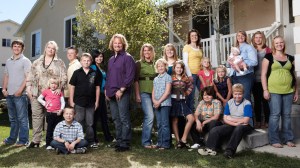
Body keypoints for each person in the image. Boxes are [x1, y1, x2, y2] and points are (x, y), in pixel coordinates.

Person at [26, 41, 67, 148]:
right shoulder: (36, 62)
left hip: (52, 95)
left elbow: (64, 77)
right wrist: (28, 89)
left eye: (53, 48)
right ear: (45, 48)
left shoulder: (60, 63)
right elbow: (30, 76)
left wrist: (59, 87)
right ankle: (36, 141)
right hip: (37, 93)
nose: (50, 50)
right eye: (49, 47)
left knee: (50, 118)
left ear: (55, 50)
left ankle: (50, 140)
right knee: (36, 116)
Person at [261, 35, 298, 148]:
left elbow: (295, 76)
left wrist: (296, 91)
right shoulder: (268, 57)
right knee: (275, 115)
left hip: (288, 90)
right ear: (274, 44)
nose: (279, 44)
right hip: (274, 90)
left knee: (286, 115)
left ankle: (288, 138)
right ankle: (274, 139)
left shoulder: (291, 58)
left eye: (281, 42)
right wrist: (265, 90)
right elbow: (263, 74)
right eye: (276, 43)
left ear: (284, 44)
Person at [198, 84, 253, 159]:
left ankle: (229, 152)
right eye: (235, 94)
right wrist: (234, 122)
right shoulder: (229, 102)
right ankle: (210, 149)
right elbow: (225, 119)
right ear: (232, 94)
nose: (237, 96)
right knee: (215, 130)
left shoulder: (247, 103)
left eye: (239, 94)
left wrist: (231, 119)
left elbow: (246, 120)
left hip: (245, 126)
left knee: (239, 128)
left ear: (243, 94)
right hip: (232, 124)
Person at [105, 34, 136, 152]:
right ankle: (118, 141)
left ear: (123, 44)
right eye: (115, 43)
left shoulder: (127, 57)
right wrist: (107, 91)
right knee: (116, 118)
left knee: (124, 118)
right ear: (112, 44)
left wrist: (121, 89)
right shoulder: (111, 59)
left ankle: (125, 142)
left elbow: (130, 75)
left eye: (119, 43)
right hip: (111, 93)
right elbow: (109, 77)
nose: (117, 45)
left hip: (122, 92)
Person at [2, 39, 31, 146]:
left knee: (22, 119)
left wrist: (20, 90)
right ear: (12, 48)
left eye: (19, 46)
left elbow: (28, 76)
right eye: (15, 46)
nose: (16, 48)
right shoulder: (8, 61)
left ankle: (23, 140)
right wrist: (4, 89)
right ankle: (12, 139)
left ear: (22, 48)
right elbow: (6, 75)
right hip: (9, 95)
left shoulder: (26, 61)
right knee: (13, 119)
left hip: (20, 95)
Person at [69, 53, 101, 148]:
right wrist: (71, 100)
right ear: (81, 61)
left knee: (90, 123)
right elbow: (72, 87)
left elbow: (97, 88)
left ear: (91, 62)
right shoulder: (76, 73)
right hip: (78, 102)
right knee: (78, 122)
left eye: (88, 61)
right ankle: (78, 141)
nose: (86, 62)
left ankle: (90, 141)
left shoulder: (94, 73)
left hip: (91, 103)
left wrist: (97, 102)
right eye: (84, 60)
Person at [134, 44, 156, 148]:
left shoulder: (155, 64)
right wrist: (137, 94)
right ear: (142, 52)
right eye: (144, 51)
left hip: (155, 93)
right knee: (150, 116)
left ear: (152, 52)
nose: (146, 52)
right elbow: (136, 80)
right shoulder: (138, 64)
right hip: (144, 92)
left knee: (154, 117)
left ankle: (152, 139)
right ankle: (145, 142)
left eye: (148, 51)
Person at [90, 50, 114, 144]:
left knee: (103, 116)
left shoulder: (101, 67)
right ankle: (94, 138)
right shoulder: (93, 67)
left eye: (101, 56)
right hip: (96, 95)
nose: (99, 58)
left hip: (102, 94)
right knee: (95, 117)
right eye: (97, 57)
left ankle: (107, 136)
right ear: (93, 58)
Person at [170, 61, 194, 149]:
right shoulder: (171, 78)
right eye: (177, 67)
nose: (179, 69)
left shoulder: (185, 78)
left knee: (191, 118)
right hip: (173, 101)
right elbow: (168, 88)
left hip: (182, 101)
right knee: (175, 120)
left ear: (183, 69)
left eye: (181, 68)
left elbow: (191, 86)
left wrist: (186, 93)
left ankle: (184, 139)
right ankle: (178, 141)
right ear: (174, 68)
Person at [229, 30, 257, 101]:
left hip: (245, 75)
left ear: (245, 37)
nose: (240, 37)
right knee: (236, 98)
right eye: (238, 35)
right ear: (236, 37)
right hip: (234, 75)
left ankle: (247, 112)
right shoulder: (234, 48)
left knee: (245, 97)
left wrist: (245, 66)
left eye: (242, 35)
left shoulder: (249, 47)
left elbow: (254, 62)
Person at [37, 77, 65, 149]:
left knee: (58, 129)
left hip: (58, 114)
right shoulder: (46, 91)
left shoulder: (59, 92)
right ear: (49, 84)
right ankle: (48, 144)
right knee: (49, 129)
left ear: (58, 85)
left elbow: (63, 102)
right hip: (50, 114)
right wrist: (45, 103)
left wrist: (61, 109)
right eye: (52, 83)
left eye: (55, 84)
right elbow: (39, 98)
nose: (54, 85)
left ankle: (58, 144)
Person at [251, 31, 271, 128]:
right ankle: (258, 121)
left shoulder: (267, 50)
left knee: (265, 101)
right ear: (253, 39)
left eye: (260, 37)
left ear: (262, 39)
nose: (258, 39)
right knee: (257, 101)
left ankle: (267, 121)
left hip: (265, 79)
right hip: (254, 79)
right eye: (256, 37)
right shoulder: (251, 49)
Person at [152, 58, 172, 149]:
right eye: (158, 66)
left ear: (165, 67)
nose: (160, 67)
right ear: (157, 68)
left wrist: (159, 101)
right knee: (159, 124)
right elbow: (153, 91)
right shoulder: (156, 79)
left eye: (162, 66)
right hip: (156, 104)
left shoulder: (168, 77)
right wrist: (154, 101)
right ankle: (159, 142)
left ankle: (166, 143)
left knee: (165, 124)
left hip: (165, 104)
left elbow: (167, 92)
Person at [182, 29, 203, 111]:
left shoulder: (199, 47)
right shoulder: (187, 47)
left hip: (200, 74)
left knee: (203, 93)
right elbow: (185, 62)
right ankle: (189, 117)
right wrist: (189, 75)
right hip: (191, 74)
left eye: (195, 35)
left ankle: (201, 113)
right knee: (191, 96)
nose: (194, 37)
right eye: (192, 36)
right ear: (189, 37)